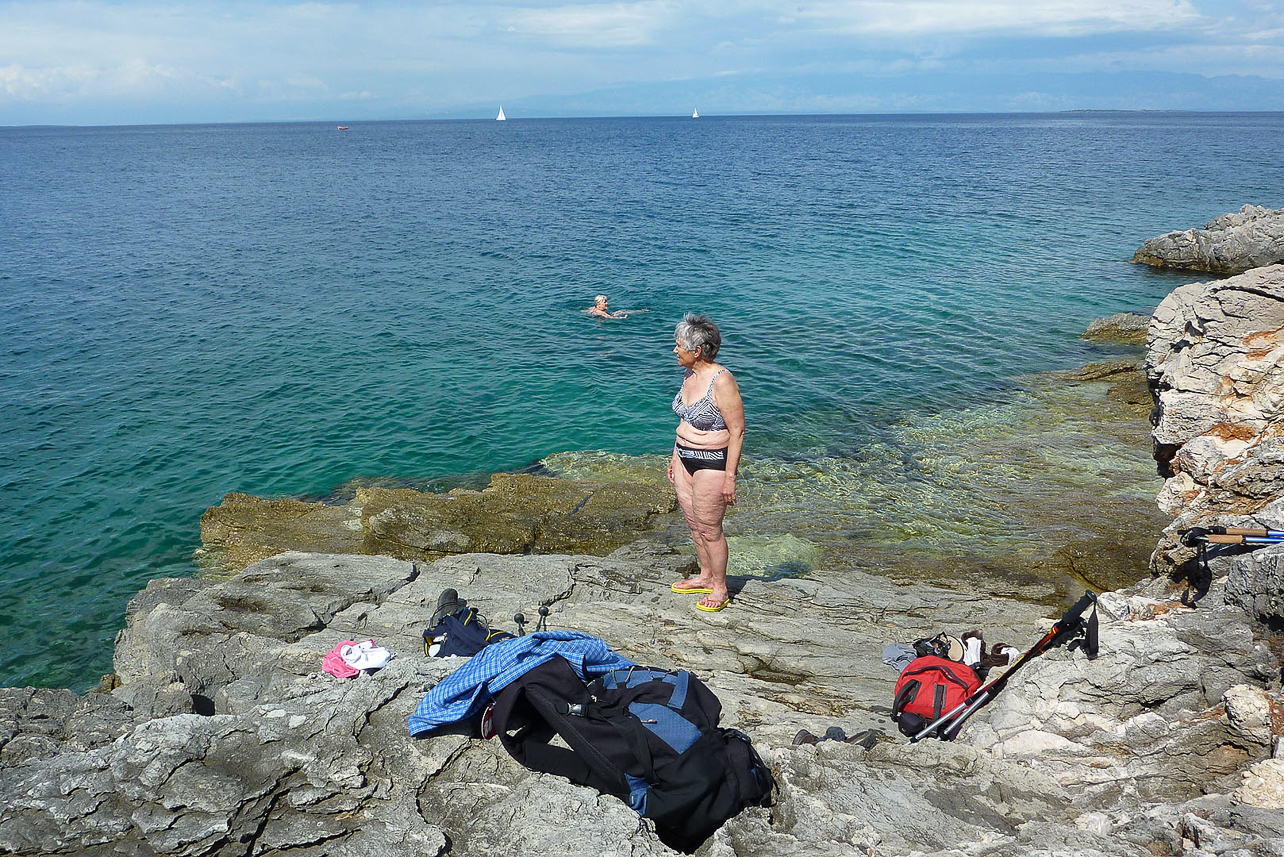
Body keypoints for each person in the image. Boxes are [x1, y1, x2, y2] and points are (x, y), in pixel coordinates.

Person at [667, 313, 744, 612]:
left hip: (712, 463)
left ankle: (721, 588)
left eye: (678, 346)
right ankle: (705, 575)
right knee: (693, 524)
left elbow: (737, 430)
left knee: (711, 528)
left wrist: (730, 477)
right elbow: (685, 421)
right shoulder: (689, 374)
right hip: (684, 458)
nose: (674, 351)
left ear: (696, 351)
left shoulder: (721, 380)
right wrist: (674, 457)